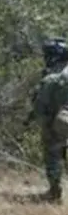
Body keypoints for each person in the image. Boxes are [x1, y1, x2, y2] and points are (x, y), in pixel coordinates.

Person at [31, 38, 68, 203]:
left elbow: (41, 107)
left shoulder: (52, 78)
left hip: (59, 123)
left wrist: (44, 125)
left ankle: (54, 192)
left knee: (52, 153)